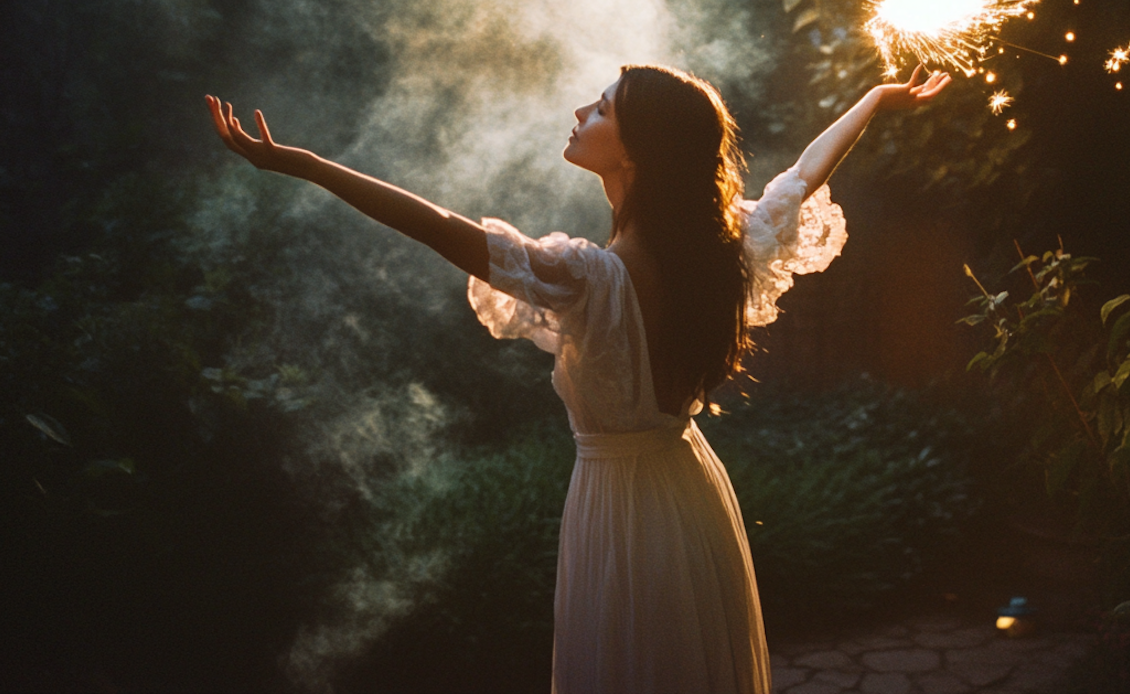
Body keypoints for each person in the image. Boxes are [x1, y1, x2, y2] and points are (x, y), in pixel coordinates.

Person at [205, 63, 949, 694]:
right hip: (689, 498)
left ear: (639, 150)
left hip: (620, 510)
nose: (580, 111)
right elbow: (803, 174)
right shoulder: (719, 250)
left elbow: (437, 226)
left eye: (602, 108)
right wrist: (877, 98)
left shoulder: (593, 274)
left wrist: (302, 164)